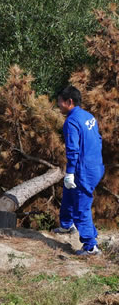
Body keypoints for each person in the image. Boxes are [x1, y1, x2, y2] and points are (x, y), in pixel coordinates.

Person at [57, 85, 104, 255]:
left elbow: (73, 150)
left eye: (60, 102)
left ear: (69, 102)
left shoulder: (71, 121)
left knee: (81, 206)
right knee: (69, 192)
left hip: (83, 170)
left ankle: (90, 245)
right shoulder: (88, 116)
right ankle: (66, 225)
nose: (58, 106)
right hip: (95, 166)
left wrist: (70, 172)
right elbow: (98, 140)